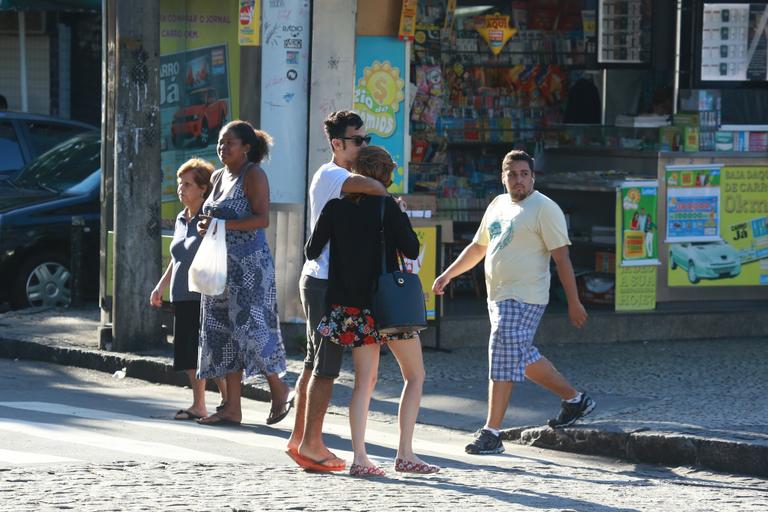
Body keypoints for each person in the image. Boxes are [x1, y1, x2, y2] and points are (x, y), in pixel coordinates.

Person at [432, 150, 595, 456]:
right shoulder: (497, 204)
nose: (518, 179)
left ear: (532, 177)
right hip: (498, 296)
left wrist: (574, 301)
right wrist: (448, 275)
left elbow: (562, 258)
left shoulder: (544, 208)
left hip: (526, 296)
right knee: (518, 355)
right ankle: (575, 399)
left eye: (524, 174)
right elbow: (479, 247)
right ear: (503, 177)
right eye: (512, 174)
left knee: (502, 352)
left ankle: (492, 432)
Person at [305, 146, 439, 477]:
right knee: (415, 375)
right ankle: (405, 454)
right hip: (386, 305)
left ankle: (360, 458)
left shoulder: (334, 207)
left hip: (351, 307)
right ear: (384, 175)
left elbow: (311, 250)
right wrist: (400, 214)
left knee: (365, 382)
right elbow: (410, 247)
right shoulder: (386, 207)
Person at [286, 111, 388, 472]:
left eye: (366, 139)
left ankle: (301, 440)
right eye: (357, 140)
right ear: (337, 144)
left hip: (322, 278)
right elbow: (378, 188)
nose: (364, 146)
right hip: (324, 281)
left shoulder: (340, 175)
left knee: (315, 362)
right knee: (326, 365)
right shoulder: (334, 175)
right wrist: (380, 176)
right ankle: (312, 444)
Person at [196, 120, 292, 426]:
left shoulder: (254, 174)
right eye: (220, 143)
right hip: (219, 266)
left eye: (229, 143)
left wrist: (219, 225)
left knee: (251, 330)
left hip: (249, 266)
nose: (222, 148)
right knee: (221, 332)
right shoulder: (216, 175)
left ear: (246, 147)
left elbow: (261, 219)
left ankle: (279, 389)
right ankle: (231, 407)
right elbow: (213, 217)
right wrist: (205, 225)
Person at [150, 158, 227, 420]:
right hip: (182, 295)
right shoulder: (182, 218)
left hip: (205, 294)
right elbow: (177, 257)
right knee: (187, 353)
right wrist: (161, 286)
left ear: (203, 188)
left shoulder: (209, 218)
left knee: (209, 352)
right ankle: (199, 404)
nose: (181, 189)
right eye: (179, 183)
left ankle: (228, 403)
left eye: (187, 184)